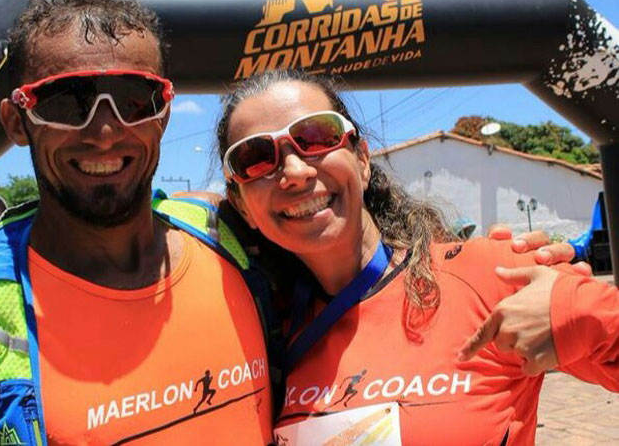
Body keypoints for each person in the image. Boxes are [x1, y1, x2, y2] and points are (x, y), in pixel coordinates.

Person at [0, 0, 273, 445]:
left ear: (164, 113)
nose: (105, 132)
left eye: (135, 99)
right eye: (66, 102)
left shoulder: (229, 237)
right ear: (16, 122)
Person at [215, 69, 619, 445]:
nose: (295, 171)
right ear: (242, 204)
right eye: (255, 159)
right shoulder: (265, 331)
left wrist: (577, 314)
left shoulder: (495, 274)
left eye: (317, 136)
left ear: (362, 160)